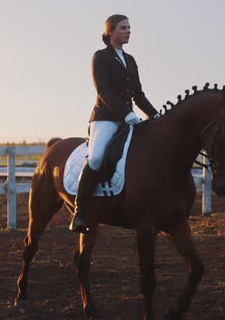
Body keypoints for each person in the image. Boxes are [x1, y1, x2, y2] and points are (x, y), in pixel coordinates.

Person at [69, 14, 161, 234]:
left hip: (127, 118)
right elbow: (104, 93)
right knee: (98, 156)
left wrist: (155, 114)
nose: (128, 31)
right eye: (123, 28)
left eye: (129, 28)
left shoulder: (130, 60)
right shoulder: (100, 57)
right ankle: (79, 211)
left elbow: (138, 94)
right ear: (110, 31)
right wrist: (126, 113)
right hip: (104, 118)